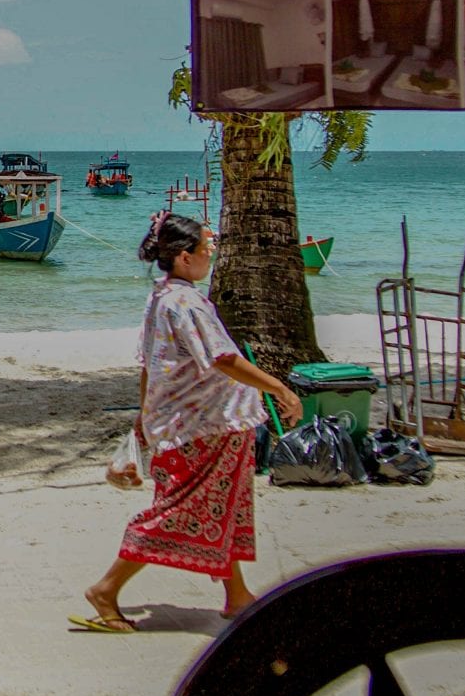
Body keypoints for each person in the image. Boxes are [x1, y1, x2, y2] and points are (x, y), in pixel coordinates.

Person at [73, 212, 303, 633]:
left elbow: (148, 365)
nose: (210, 254)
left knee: (225, 508)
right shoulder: (187, 303)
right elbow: (224, 358)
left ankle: (237, 595)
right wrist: (280, 389)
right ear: (183, 257)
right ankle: (106, 589)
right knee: (181, 513)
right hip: (203, 426)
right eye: (204, 248)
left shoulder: (162, 297)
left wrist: (145, 415)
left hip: (192, 423)